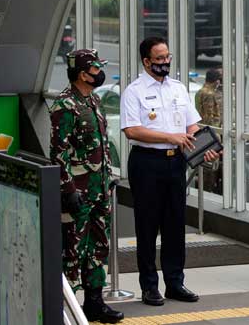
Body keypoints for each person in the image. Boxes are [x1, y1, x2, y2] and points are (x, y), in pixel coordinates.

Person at [121, 37, 221, 306]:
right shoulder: (134, 91)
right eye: (160, 59)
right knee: (147, 225)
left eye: (168, 57)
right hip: (147, 163)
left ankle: (175, 283)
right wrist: (171, 137)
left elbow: (192, 126)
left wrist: (204, 147)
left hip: (175, 163)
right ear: (146, 61)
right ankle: (149, 286)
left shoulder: (178, 89)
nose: (165, 62)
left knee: (175, 225)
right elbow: (132, 130)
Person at [49, 49, 124, 323]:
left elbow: (100, 146)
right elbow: (59, 153)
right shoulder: (65, 106)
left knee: (98, 247)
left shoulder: (92, 100)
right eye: (95, 69)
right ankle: (63, 307)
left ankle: (94, 303)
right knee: (72, 248)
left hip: (99, 189)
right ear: (83, 74)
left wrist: (108, 178)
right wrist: (68, 191)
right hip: (78, 193)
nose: (99, 73)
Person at [195, 66, 224, 194]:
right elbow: (211, 117)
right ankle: (208, 190)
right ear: (216, 81)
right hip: (211, 134)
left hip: (202, 131)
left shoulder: (200, 91)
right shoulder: (209, 94)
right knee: (211, 166)